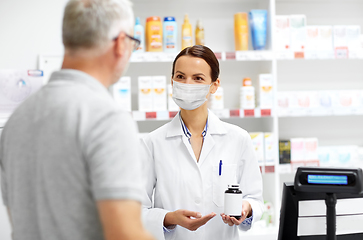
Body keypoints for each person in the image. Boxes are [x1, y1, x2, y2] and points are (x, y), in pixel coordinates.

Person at [0, 0, 154, 240]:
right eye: (134, 43)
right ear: (121, 43)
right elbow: (125, 234)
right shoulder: (107, 119)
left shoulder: (17, 121)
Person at [140, 45, 264, 240]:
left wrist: (246, 209)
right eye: (180, 77)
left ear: (214, 85)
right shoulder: (152, 143)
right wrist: (170, 218)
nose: (188, 84)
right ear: (172, 81)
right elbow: (137, 210)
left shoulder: (238, 138)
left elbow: (255, 199)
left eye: (198, 78)